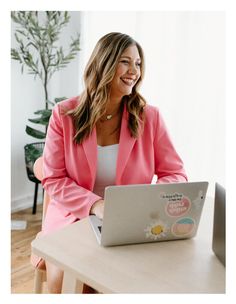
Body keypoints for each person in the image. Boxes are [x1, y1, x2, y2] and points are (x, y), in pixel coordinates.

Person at [33, 32, 188, 293]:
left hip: (130, 223)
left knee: (151, 279)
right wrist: (97, 205)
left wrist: (150, 198)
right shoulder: (65, 115)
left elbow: (175, 173)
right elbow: (53, 178)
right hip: (73, 219)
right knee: (70, 281)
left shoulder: (150, 117)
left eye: (138, 64)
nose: (134, 71)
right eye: (125, 62)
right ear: (104, 63)